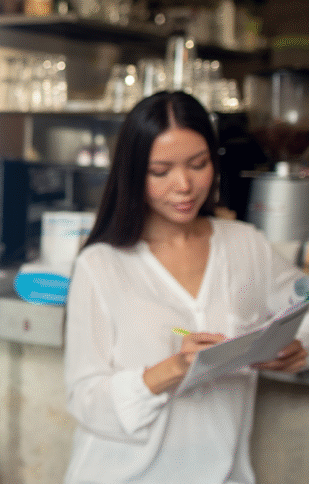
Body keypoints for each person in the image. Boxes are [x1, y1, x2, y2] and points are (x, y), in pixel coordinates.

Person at [63, 91, 308, 483]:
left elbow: (303, 306)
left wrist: (300, 350)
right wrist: (174, 368)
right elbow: (85, 400)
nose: (185, 185)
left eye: (198, 164)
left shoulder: (246, 245)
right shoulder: (101, 266)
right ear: (133, 174)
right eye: (160, 171)